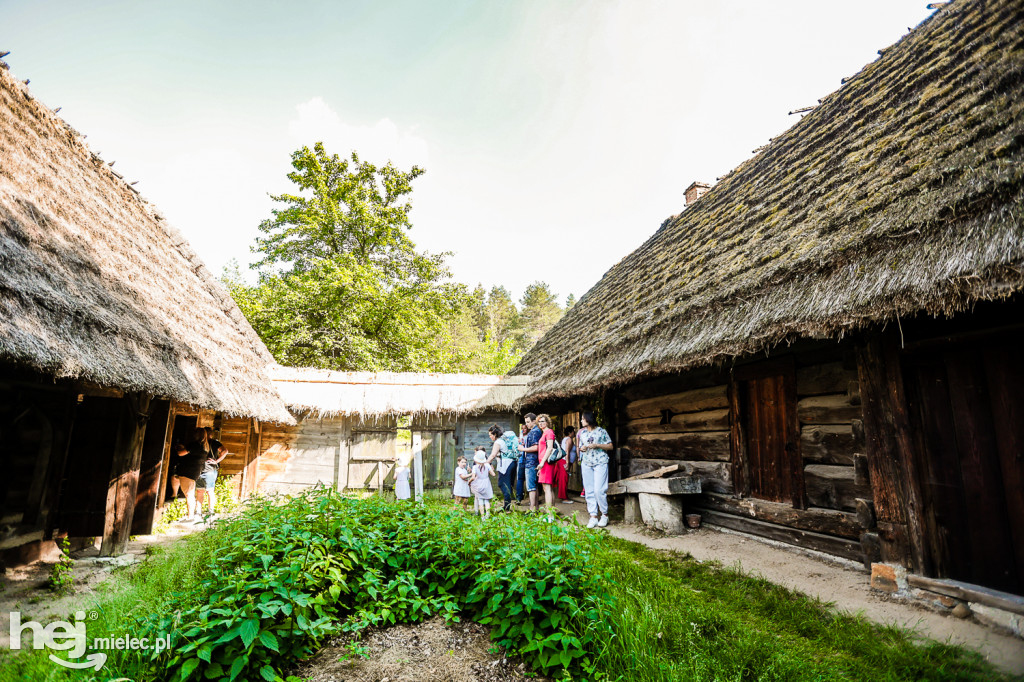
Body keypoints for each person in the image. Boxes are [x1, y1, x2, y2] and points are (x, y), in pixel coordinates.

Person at [578, 411, 613, 528]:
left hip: (600, 462)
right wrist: (582, 448)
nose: (581, 421)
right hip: (586, 463)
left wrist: (597, 445)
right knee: (589, 490)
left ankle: (604, 514)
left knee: (599, 490)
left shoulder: (601, 431)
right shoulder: (582, 433)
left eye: (583, 419)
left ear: (588, 419)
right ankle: (593, 516)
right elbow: (580, 447)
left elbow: (610, 446)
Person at [175, 430, 207, 522]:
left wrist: (179, 448)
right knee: (190, 494)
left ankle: (190, 516)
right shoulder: (203, 446)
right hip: (194, 472)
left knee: (189, 494)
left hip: (187, 471)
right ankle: (191, 515)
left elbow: (181, 453)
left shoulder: (194, 445)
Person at [196, 427, 228, 516]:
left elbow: (225, 451)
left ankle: (206, 511)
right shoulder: (210, 442)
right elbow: (225, 451)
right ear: (211, 434)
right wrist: (216, 461)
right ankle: (204, 511)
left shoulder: (213, 443)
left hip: (207, 470)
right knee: (204, 491)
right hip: (203, 470)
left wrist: (216, 461)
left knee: (205, 491)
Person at [487, 424, 520, 512]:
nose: (490, 437)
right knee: (508, 484)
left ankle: (507, 508)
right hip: (513, 462)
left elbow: (493, 455)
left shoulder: (498, 442)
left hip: (505, 465)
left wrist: (485, 463)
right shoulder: (505, 439)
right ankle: (506, 506)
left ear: (495, 434)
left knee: (503, 484)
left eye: (490, 435)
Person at [534, 414, 559, 520]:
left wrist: (542, 462)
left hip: (546, 463)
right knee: (548, 488)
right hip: (544, 463)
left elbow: (549, 448)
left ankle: (550, 515)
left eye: (543, 421)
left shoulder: (549, 432)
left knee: (547, 488)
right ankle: (551, 514)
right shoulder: (544, 432)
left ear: (547, 422)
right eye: (539, 421)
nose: (541, 423)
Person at [517, 414, 542, 511]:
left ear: (534, 421)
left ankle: (532, 509)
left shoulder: (534, 432)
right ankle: (535, 508)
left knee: (531, 487)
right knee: (534, 486)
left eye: (528, 422)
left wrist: (523, 449)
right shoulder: (535, 431)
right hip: (532, 461)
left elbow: (536, 447)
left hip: (531, 462)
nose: (526, 424)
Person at [470, 449, 495, 520]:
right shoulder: (487, 465)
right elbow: (493, 474)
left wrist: (469, 481)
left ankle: (482, 517)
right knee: (487, 500)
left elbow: (473, 477)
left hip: (479, 484)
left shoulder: (475, 467)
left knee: (480, 501)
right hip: (486, 484)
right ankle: (487, 515)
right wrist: (491, 470)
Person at [558, 426, 576, 504]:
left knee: (564, 479)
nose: (574, 433)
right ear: (570, 432)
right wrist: (567, 463)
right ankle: (564, 498)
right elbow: (567, 451)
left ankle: (564, 496)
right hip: (565, 461)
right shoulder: (569, 439)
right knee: (564, 479)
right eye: (573, 431)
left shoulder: (565, 439)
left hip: (564, 461)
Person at [515, 423, 528, 504]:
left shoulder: (529, 436)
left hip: (529, 460)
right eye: (522, 428)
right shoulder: (519, 437)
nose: (523, 430)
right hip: (521, 460)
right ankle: (519, 498)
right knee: (520, 479)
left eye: (525, 428)